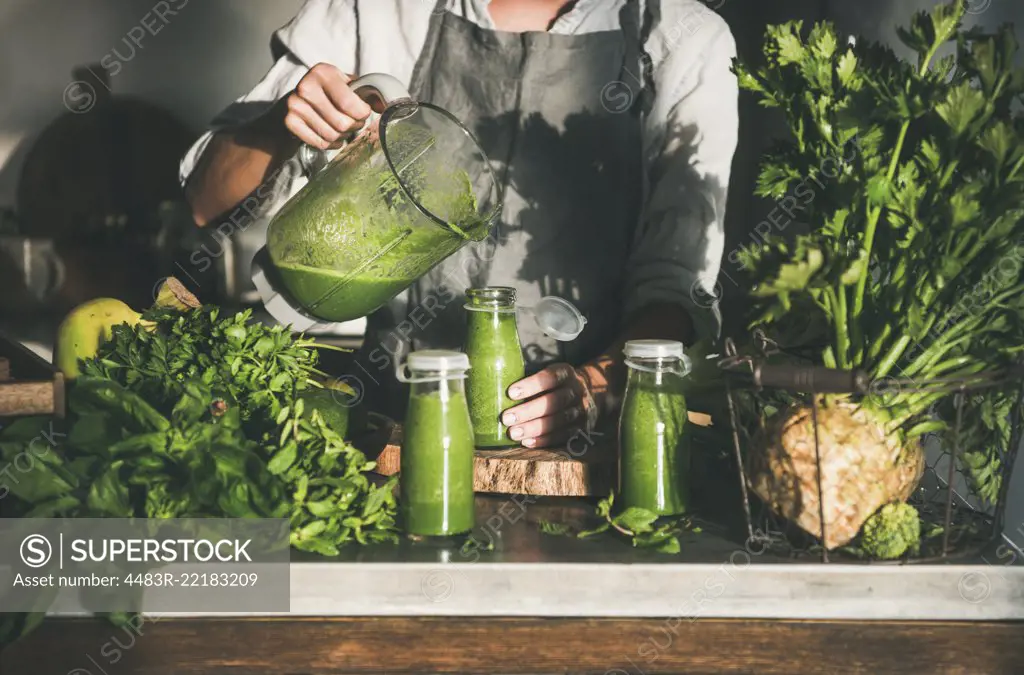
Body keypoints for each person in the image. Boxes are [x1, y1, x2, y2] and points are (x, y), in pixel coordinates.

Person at [180, 0, 738, 450]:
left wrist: (593, 388)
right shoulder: (377, 11)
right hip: (384, 436)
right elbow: (205, 201)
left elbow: (678, 289)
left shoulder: (681, 36)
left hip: (592, 453)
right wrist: (283, 126)